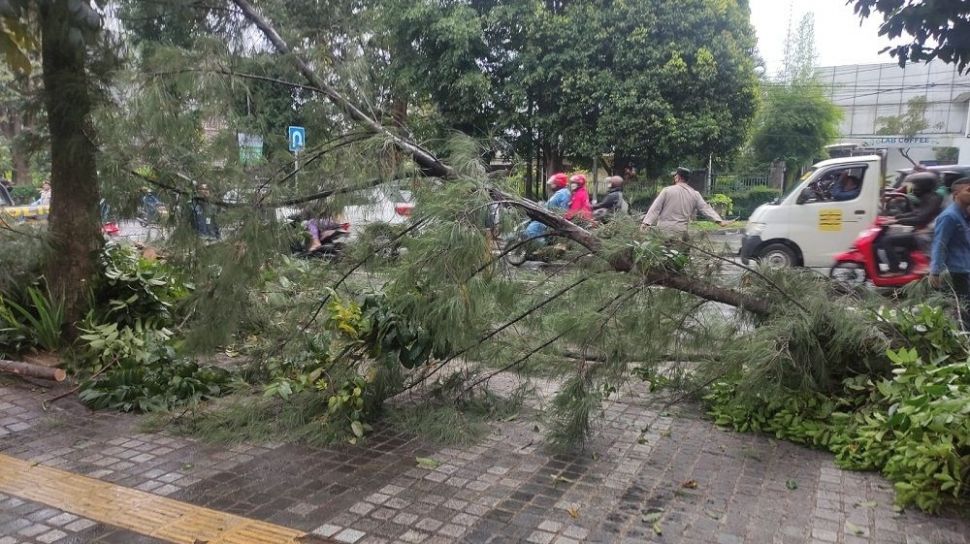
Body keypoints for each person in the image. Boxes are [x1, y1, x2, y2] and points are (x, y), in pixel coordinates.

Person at [876, 172, 942, 276]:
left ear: (923, 185)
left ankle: (894, 269)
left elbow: (920, 218)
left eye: (915, 185)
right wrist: (896, 217)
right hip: (922, 232)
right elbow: (916, 213)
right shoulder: (928, 197)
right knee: (889, 236)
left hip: (925, 236)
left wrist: (897, 221)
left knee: (887, 240)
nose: (913, 188)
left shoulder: (933, 199)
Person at [929, 177, 970, 329]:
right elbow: (940, 244)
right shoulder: (949, 217)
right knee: (964, 308)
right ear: (956, 194)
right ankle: (964, 338)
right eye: (969, 190)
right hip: (956, 271)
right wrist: (935, 271)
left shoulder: (964, 215)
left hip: (966, 268)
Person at [641, 167, 729, 235]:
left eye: (675, 175)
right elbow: (705, 209)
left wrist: (646, 223)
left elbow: (655, 208)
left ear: (678, 177)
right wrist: (719, 221)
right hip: (681, 232)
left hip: (664, 231)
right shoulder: (695, 194)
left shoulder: (667, 191)